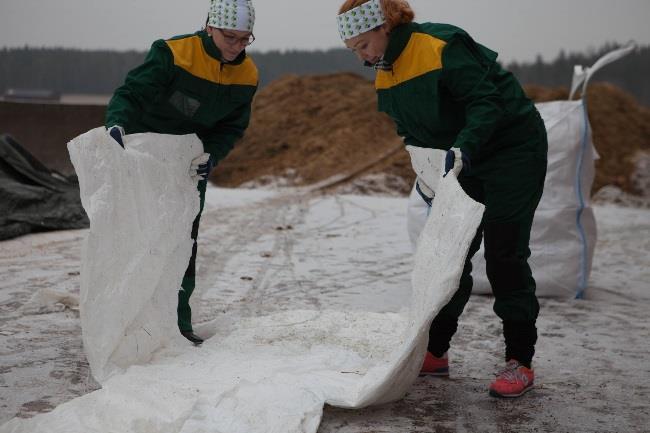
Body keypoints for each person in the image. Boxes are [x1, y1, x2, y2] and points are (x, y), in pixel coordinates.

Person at [337, 0, 548, 398]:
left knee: (504, 253)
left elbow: (487, 101)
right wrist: (427, 172)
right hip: (461, 161)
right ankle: (435, 351)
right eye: (354, 50)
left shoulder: (439, 44)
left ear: (385, 26)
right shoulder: (385, 74)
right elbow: (412, 133)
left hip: (511, 149)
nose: (362, 56)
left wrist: (465, 146)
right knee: (450, 255)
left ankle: (519, 360)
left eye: (363, 45)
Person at [105, 0, 259, 345]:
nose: (236, 47)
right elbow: (132, 93)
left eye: (244, 39)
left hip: (187, 168)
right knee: (137, 240)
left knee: (181, 243)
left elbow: (232, 127)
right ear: (210, 27)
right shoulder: (173, 53)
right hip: (143, 159)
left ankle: (177, 325)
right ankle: (125, 323)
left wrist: (212, 154)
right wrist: (116, 124)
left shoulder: (247, 75)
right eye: (229, 37)